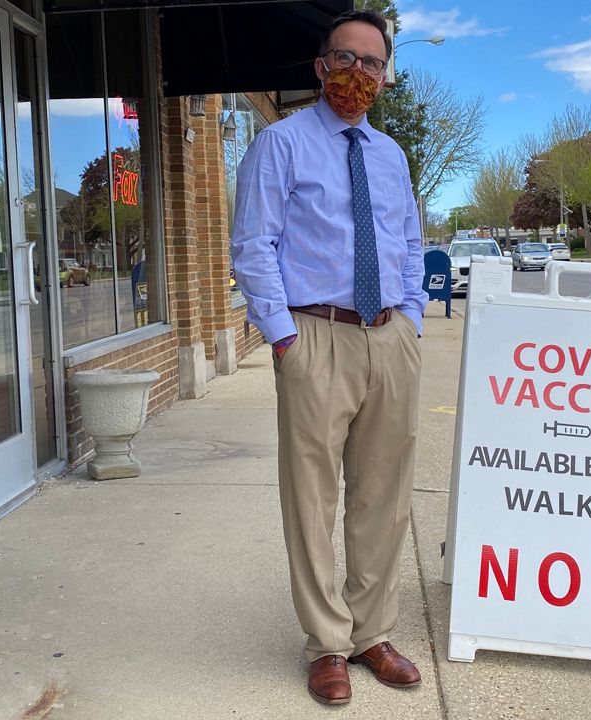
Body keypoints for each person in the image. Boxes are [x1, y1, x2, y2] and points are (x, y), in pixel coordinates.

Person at [230, 9, 428, 707]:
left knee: (383, 496)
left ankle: (372, 632)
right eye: (346, 59)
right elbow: (254, 247)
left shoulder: (391, 156)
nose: (358, 74)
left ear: (384, 76)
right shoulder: (279, 145)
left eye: (372, 64)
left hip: (388, 339)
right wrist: (284, 338)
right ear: (321, 66)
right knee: (312, 500)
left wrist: (411, 321)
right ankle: (327, 644)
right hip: (315, 335)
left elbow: (407, 242)